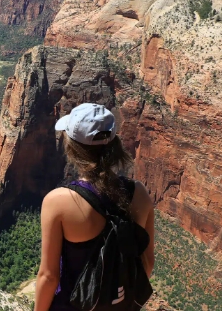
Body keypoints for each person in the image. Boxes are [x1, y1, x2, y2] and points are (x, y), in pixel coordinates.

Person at [34, 103, 155, 311]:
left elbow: (49, 276)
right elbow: (147, 264)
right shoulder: (140, 193)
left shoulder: (59, 201)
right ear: (114, 143)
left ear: (72, 146)